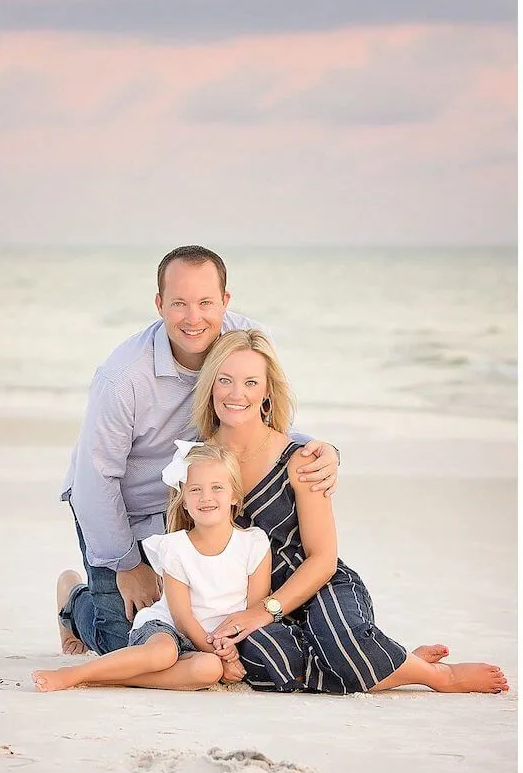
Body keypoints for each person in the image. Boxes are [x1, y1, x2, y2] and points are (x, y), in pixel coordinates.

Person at [57, 245, 340, 658]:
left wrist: (324, 450)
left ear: (225, 301)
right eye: (179, 304)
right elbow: (94, 480)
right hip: (125, 514)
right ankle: (73, 600)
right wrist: (128, 565)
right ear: (159, 305)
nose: (194, 318)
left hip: (203, 504)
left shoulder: (245, 340)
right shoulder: (122, 379)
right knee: (127, 641)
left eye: (206, 302)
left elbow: (266, 416)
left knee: (217, 634)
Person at [191, 329, 509, 695]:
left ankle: (436, 676)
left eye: (250, 382)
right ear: (210, 386)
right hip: (245, 599)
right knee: (266, 662)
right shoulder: (196, 462)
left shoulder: (301, 459)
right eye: (225, 380)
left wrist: (265, 610)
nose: (236, 394)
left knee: (344, 647)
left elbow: (323, 558)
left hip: (316, 585)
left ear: (267, 393)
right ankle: (392, 662)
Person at [32, 443, 270, 692]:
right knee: (163, 654)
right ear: (184, 501)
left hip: (216, 646)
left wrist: (224, 654)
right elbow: (183, 618)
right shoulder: (176, 547)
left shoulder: (253, 544)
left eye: (217, 488)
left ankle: (106, 678)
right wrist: (223, 655)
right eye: (195, 490)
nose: (206, 497)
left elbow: (253, 612)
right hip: (169, 630)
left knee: (208, 670)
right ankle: (76, 674)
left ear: (234, 496)